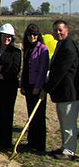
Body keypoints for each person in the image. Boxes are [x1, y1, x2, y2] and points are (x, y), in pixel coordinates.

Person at [42, 20, 79, 160]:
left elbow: (60, 72)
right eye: (56, 30)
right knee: (63, 121)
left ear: (67, 30)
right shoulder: (61, 44)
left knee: (69, 123)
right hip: (62, 92)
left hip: (69, 92)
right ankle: (65, 147)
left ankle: (69, 151)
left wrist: (46, 88)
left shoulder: (68, 48)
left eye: (60, 30)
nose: (58, 32)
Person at [0, 24, 21, 149]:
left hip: (8, 88)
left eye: (9, 37)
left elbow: (15, 69)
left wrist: (3, 75)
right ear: (0, 36)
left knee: (6, 114)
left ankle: (6, 142)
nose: (6, 39)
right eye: (4, 36)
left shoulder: (15, 52)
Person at [20, 23, 49, 152]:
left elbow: (43, 70)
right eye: (30, 34)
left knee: (39, 116)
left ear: (38, 36)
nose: (32, 37)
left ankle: (39, 144)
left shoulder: (42, 49)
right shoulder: (27, 48)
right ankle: (31, 142)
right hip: (28, 84)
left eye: (35, 35)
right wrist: (22, 85)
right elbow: (25, 69)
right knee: (30, 114)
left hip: (37, 86)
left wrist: (38, 86)